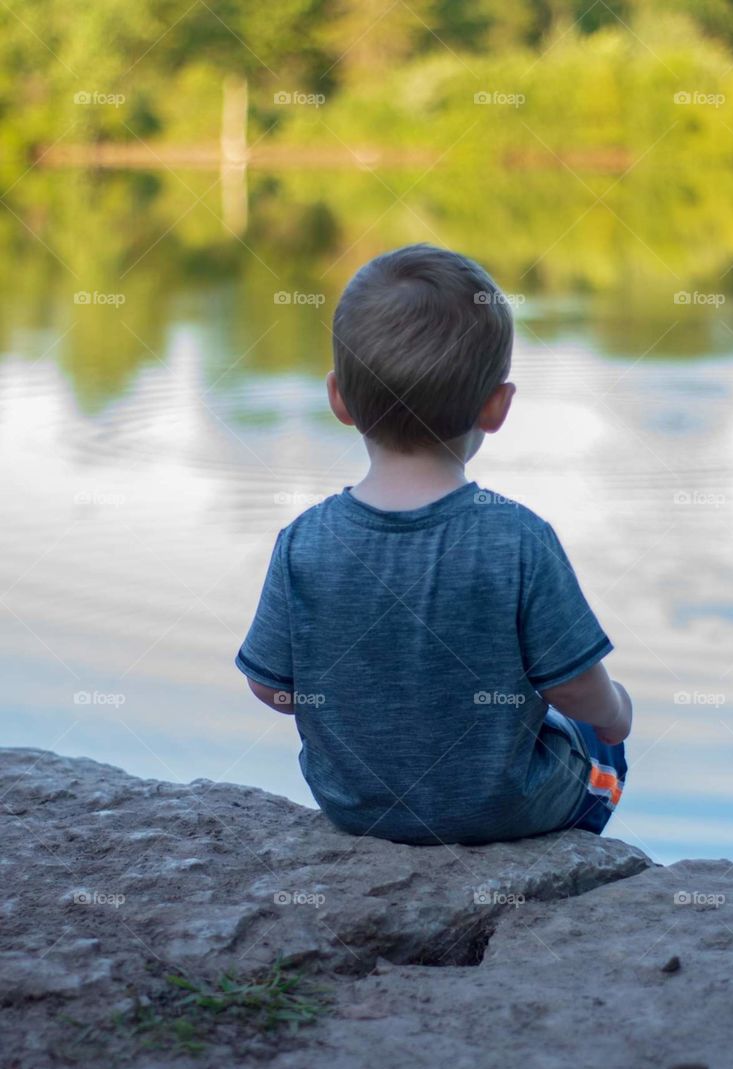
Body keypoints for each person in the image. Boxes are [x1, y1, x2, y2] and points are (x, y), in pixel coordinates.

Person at [236, 244, 631, 845]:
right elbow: (575, 688)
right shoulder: (518, 537)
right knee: (600, 738)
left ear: (338, 398)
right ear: (496, 407)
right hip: (497, 812)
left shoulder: (305, 541)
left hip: (355, 807)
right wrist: (618, 713)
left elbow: (271, 687)